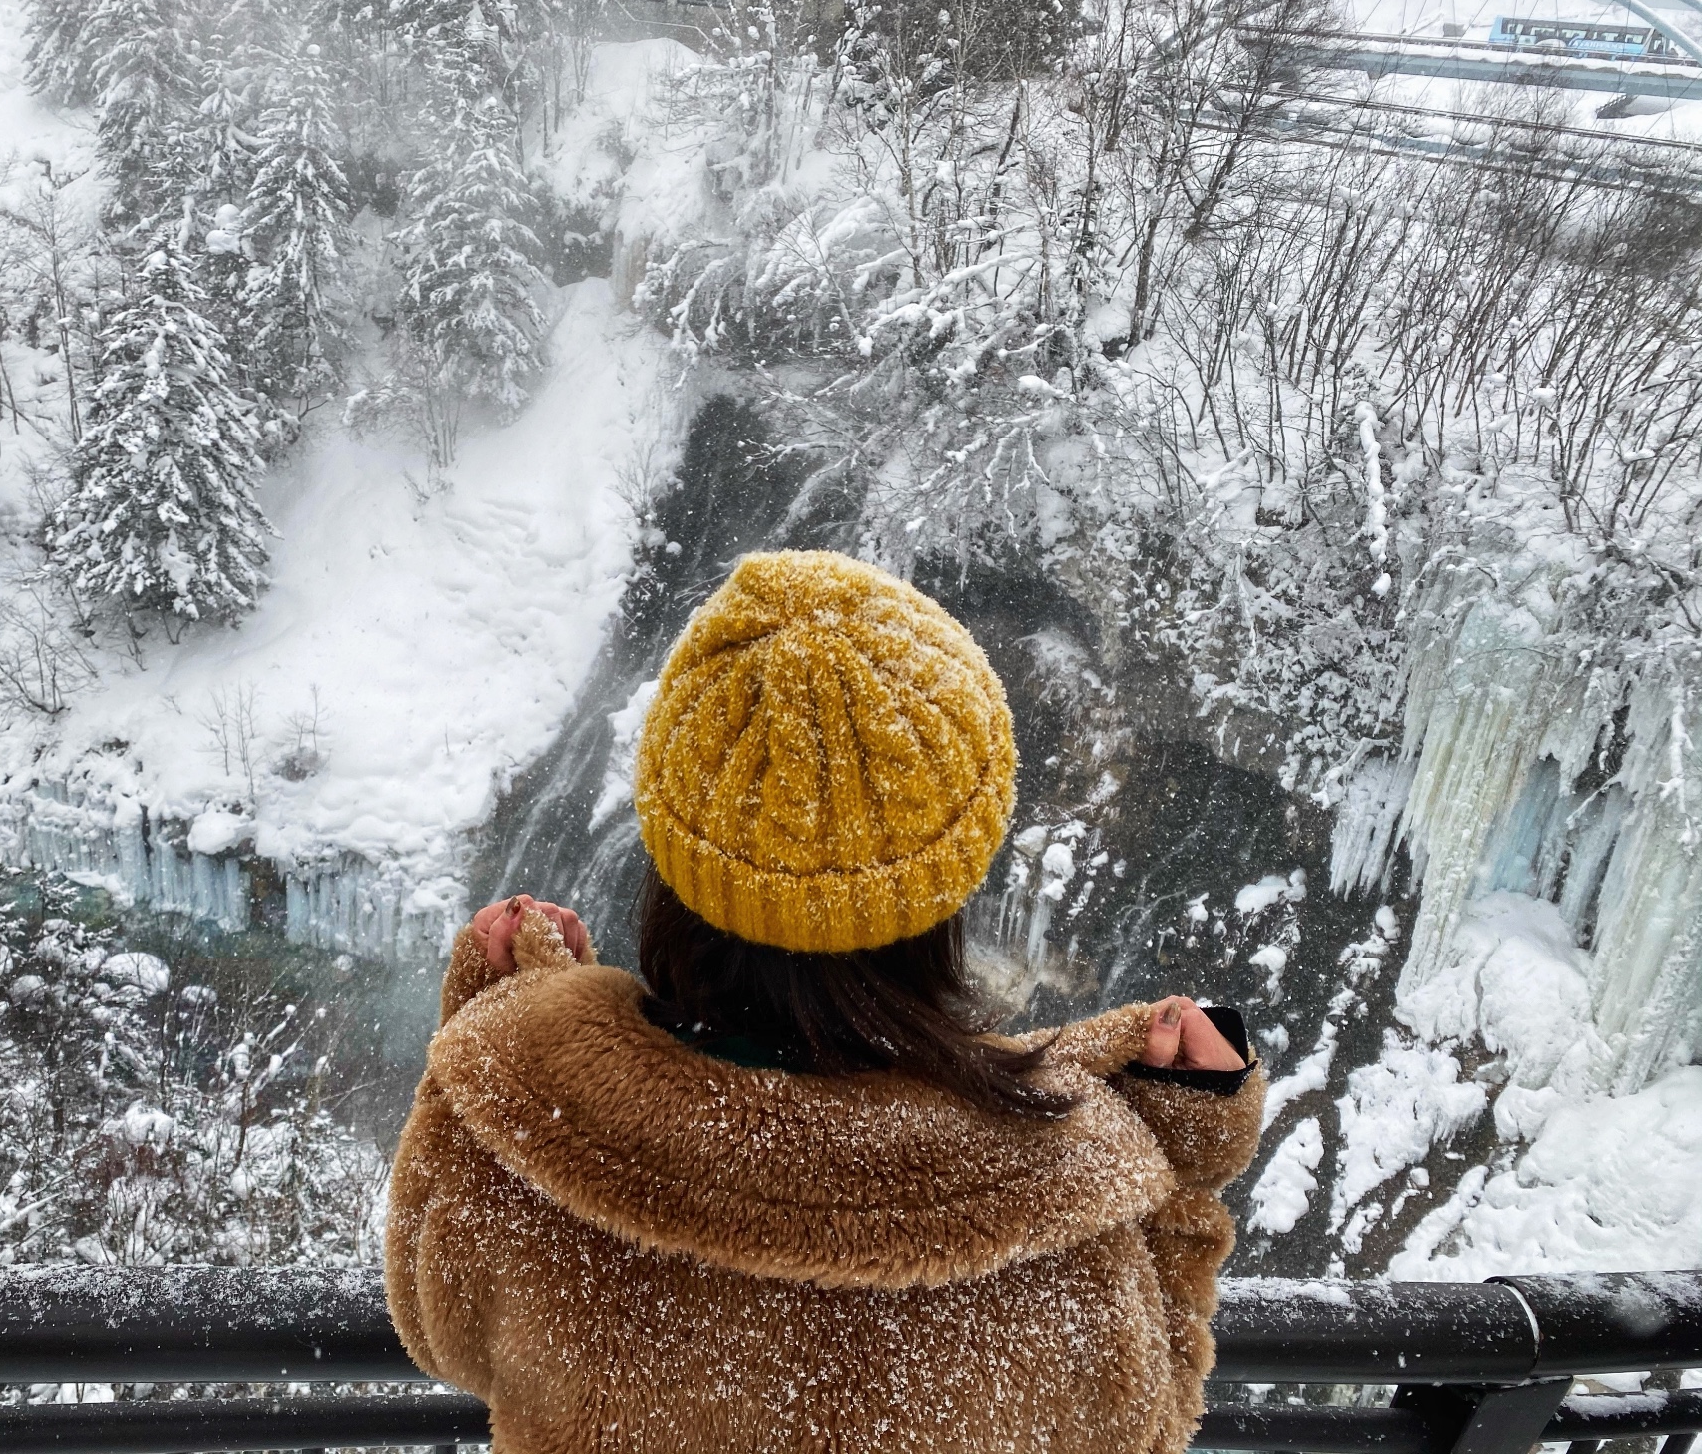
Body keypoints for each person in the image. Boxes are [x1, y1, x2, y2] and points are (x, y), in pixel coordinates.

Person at [386, 549, 1262, 1454]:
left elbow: (437, 1320)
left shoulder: (532, 1134)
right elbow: (1140, 1421)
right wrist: (1181, 1152)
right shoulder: (1060, 1216)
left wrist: (497, 1031)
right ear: (945, 894)